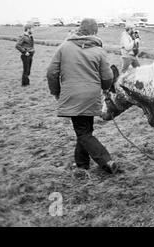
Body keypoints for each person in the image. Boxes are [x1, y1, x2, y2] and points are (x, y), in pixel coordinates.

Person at [46, 18, 119, 174]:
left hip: (72, 96)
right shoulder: (99, 51)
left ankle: (107, 161)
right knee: (85, 130)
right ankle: (82, 164)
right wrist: (105, 88)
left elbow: (51, 72)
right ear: (94, 32)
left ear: (80, 29)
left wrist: (56, 92)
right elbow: (107, 78)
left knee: (83, 132)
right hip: (91, 96)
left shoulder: (64, 47)